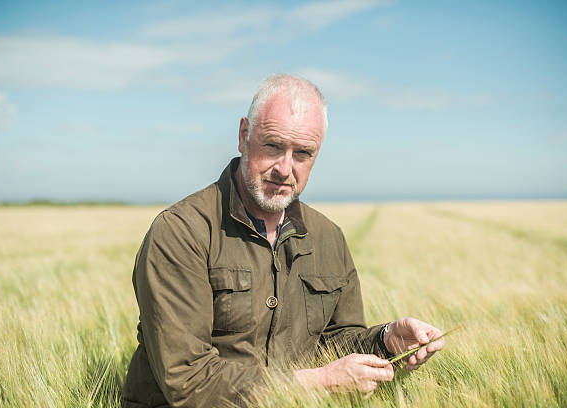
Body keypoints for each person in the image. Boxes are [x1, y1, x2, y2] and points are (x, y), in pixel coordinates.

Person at [122, 74, 445, 407]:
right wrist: (322, 382)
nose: (284, 168)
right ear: (244, 135)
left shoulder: (328, 238)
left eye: (303, 153)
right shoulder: (181, 232)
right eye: (273, 146)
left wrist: (386, 339)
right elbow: (188, 380)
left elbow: (334, 343)